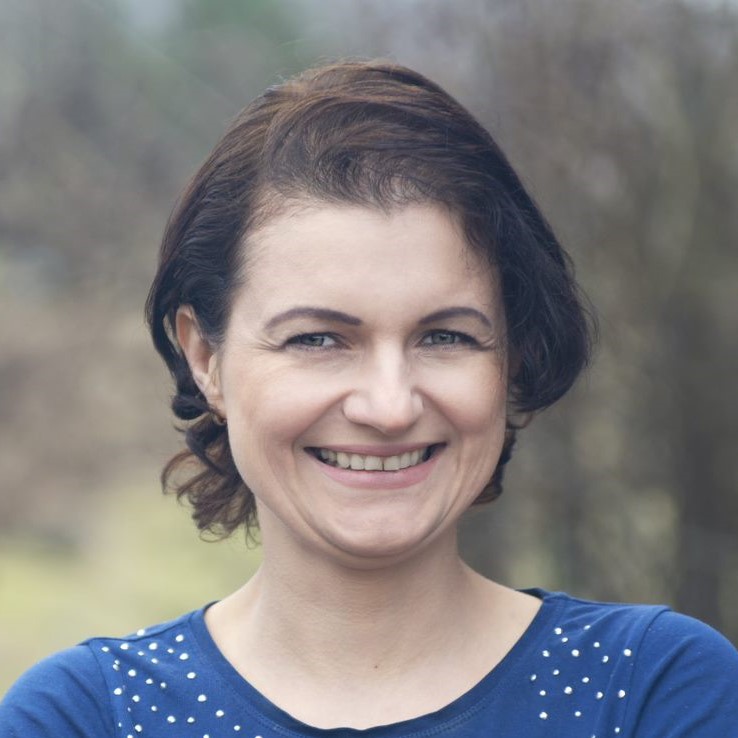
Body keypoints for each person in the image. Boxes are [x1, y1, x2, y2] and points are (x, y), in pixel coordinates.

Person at [1, 59, 736, 738]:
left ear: (511, 359)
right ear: (206, 359)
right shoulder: (84, 718)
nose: (389, 407)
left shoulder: (654, 690)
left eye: (445, 337)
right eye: (318, 339)